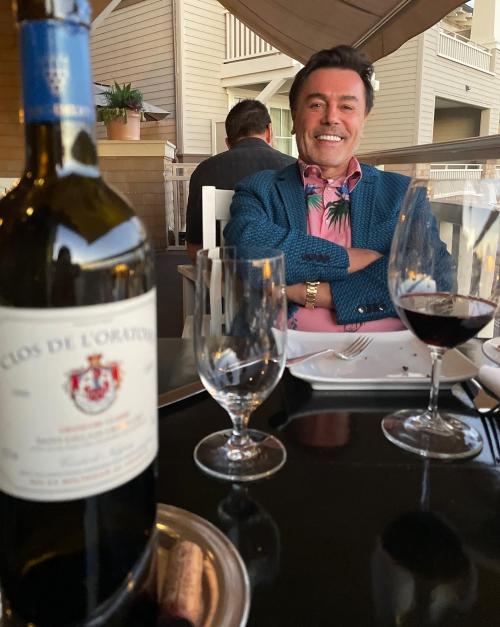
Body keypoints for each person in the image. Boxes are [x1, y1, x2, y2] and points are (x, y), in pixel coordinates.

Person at [224, 46, 414, 332]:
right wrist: (350, 259)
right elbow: (246, 251)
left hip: (389, 353)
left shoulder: (402, 193)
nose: (331, 118)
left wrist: (308, 292)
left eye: (347, 107)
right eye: (316, 105)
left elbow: (433, 275)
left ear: (364, 119)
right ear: (294, 117)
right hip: (279, 350)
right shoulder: (259, 188)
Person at [185, 99, 295, 262]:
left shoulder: (203, 171)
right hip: (286, 272)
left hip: (225, 274)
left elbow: (194, 249)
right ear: (269, 131)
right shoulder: (294, 169)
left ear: (228, 142)